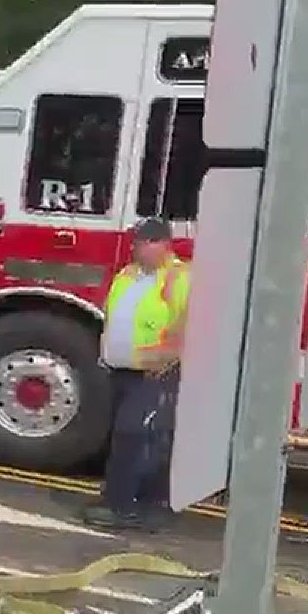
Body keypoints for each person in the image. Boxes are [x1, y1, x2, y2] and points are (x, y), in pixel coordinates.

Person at [83, 217, 190, 532]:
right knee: (124, 435)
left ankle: (129, 508)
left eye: (143, 242)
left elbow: (188, 323)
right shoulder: (129, 274)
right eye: (135, 242)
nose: (135, 248)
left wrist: (168, 358)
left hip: (154, 372)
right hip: (122, 370)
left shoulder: (178, 277)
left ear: (162, 244)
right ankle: (118, 498)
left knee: (138, 436)